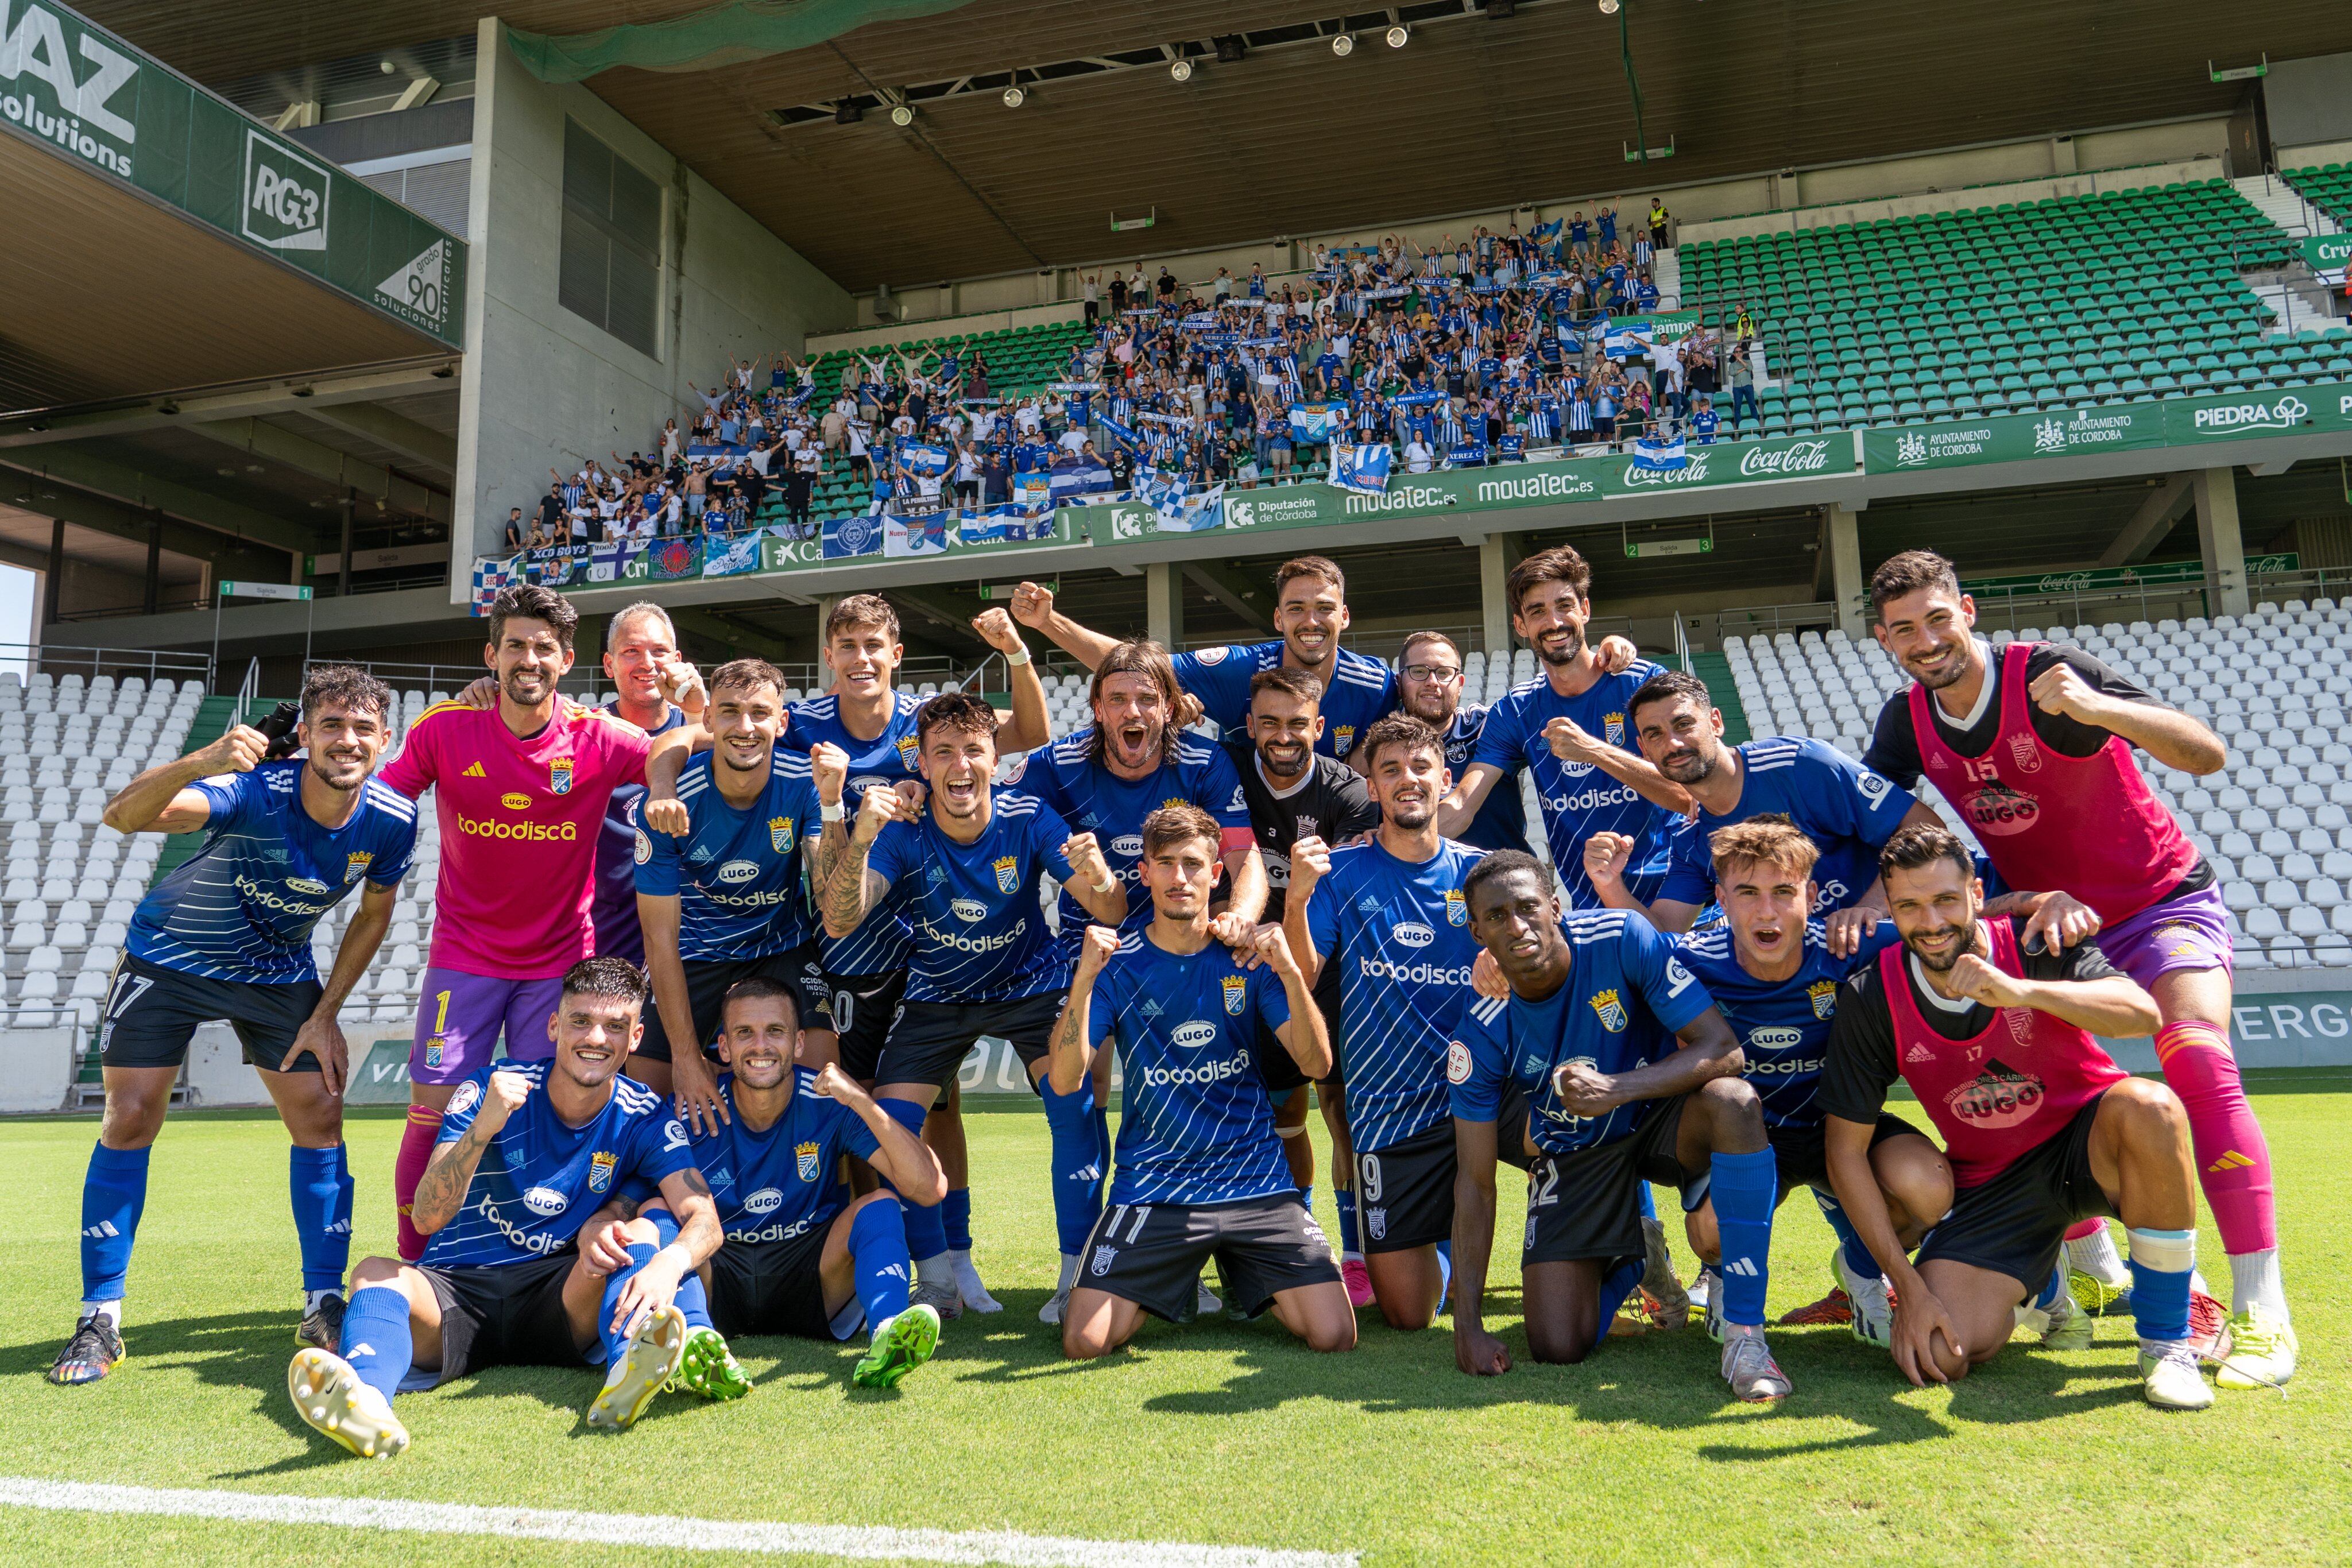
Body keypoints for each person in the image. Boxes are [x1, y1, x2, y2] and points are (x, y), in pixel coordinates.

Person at [1862, 549, 2292, 1385]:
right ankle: (2084, 1270)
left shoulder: (2050, 676)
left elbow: (2206, 753)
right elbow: (1866, 824)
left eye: (1937, 618)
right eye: (1904, 628)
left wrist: (2100, 708)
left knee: (2195, 1055)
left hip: (2157, 904)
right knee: (2024, 1088)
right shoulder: (1906, 721)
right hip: (2043, 926)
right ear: (1884, 639)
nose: (1925, 639)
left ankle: (2260, 1310)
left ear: (1969, 610)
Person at [49, 668, 417, 1385]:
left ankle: (323, 1300)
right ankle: (101, 1317)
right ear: (305, 734)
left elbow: (374, 915)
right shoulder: (252, 791)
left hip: (277, 972)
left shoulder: (392, 818)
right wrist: (204, 759)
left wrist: (327, 1013)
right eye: (332, 726)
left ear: (384, 740)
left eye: (363, 729)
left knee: (320, 1114)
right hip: (170, 957)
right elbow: (123, 817)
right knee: (129, 1116)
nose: (348, 741)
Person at [687, 594, 1046, 1316]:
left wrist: (1015, 651)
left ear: (896, 654)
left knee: (937, 1110)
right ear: (829, 656)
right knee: (836, 1109)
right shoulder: (802, 726)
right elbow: (697, 741)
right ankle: (850, 1254)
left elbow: (1029, 731)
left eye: (872, 645)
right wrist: (669, 764)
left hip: (906, 956)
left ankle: (955, 1260)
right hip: (815, 949)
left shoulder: (924, 726)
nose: (859, 658)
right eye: (845, 645)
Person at [1819, 826, 2216, 1409]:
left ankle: (2166, 1345)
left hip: (2090, 1145)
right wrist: (1906, 1286)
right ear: (1890, 908)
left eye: (1945, 900)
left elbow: (2141, 1013)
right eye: (1908, 905)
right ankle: (2045, 1284)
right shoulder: (1872, 992)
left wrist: (2021, 991)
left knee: (2150, 1106)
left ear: (1976, 892)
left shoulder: (2035, 941)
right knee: (1940, 1354)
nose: (1930, 921)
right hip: (1992, 1185)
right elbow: (1845, 1150)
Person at [285, 959, 724, 1458]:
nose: (597, 1038)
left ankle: (630, 1367)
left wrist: (669, 1263)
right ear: (555, 1025)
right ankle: (366, 1402)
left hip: (558, 1293)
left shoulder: (644, 1113)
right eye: (581, 1021)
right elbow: (426, 1217)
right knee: (374, 1272)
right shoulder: (489, 1087)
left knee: (638, 1232)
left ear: (637, 1036)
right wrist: (483, 1129)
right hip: (458, 1289)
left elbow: (704, 1219)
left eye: (615, 1026)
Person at [815, 692, 1125, 1322]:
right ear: (923, 766)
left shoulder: (1029, 816)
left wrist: (1100, 877)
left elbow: (1112, 911)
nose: (961, 765)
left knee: (1074, 1106)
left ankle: (1077, 1276)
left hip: (1030, 989)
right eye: (944, 753)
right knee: (893, 1124)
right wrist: (861, 836)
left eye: (974, 750)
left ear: (993, 757)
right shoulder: (905, 829)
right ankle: (936, 1279)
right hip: (937, 996)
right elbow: (839, 920)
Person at [1448, 850, 1796, 1400]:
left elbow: (1723, 1049)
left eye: (1527, 907)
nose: (1516, 926)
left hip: (1657, 1116)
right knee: (1557, 1345)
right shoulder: (1480, 1030)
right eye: (1496, 917)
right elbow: (1474, 1180)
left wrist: (1617, 1089)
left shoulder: (1622, 937)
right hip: (1577, 1150)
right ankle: (1636, 1259)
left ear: (1555, 908)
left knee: (1735, 1101)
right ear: (1477, 931)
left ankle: (1746, 1336)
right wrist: (1466, 1324)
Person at [377, 586, 659, 1263]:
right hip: (463, 957)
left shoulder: (600, 736)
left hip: (560, 964)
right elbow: (384, 796)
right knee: (432, 1112)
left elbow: (689, 745)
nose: (527, 659)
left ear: (566, 659)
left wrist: (685, 739)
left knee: (561, 1110)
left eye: (542, 648)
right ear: (491, 655)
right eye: (514, 646)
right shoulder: (446, 728)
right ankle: (414, 1262)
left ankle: (549, 1260)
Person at [1009, 640, 1267, 1323]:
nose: (1132, 711)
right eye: (1117, 698)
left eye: (1146, 698)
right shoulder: (1057, 765)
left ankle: (1190, 1262)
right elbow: (988, 814)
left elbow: (1246, 861)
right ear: (1096, 708)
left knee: (1192, 1096)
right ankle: (1077, 1268)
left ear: (1168, 708)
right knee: (1076, 1101)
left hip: (1183, 950)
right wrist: (918, 782)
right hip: (1088, 948)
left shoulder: (1205, 761)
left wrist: (1239, 919)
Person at [1055, 806, 1354, 1358]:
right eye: (1164, 864)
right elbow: (1066, 1074)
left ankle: (1234, 1265)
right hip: (1156, 1186)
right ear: (1143, 873)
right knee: (1084, 1341)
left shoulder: (1245, 960)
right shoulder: (1120, 964)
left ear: (1217, 873)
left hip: (1255, 1183)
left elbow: (1317, 1065)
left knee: (1335, 1334)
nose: (1179, 878)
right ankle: (1168, 1277)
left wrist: (1289, 970)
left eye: (1193, 864)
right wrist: (1083, 981)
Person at [1663, 820, 1975, 1342]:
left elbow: (1953, 912)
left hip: (1844, 1127)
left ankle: (1859, 1265)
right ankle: (1721, 1278)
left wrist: (2046, 901)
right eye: (1747, 893)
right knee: (1713, 1232)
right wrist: (1497, 960)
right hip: (1750, 1139)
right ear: (1720, 899)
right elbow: (1595, 956)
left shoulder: (1851, 944)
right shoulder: (1688, 960)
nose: (1767, 911)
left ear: (1811, 895)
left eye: (1784, 892)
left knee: (1929, 1190)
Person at [652, 977, 950, 1390]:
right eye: (744, 1033)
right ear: (724, 1047)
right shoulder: (691, 1111)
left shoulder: (829, 1101)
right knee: (658, 1211)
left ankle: (887, 1331)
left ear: (798, 1042)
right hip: (718, 1272)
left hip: (813, 1273)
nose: (760, 1046)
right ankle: (698, 1337)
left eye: (775, 1031)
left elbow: (929, 1187)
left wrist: (862, 1102)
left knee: (880, 1202)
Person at [1284, 714, 1483, 1330]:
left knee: (1572, 1130)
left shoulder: (1482, 871)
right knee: (1409, 1315)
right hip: (1388, 1107)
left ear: (1444, 780)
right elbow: (1308, 970)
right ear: (1371, 788)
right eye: (1390, 769)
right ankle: (1440, 1258)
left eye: (1421, 767)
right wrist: (1295, 897)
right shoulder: (1339, 873)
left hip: (1482, 1093)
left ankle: (1617, 1253)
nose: (1407, 780)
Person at [1228, 667, 1382, 1303]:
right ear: (1250, 726)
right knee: (1280, 1112)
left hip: (1329, 962)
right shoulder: (1227, 764)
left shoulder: (1347, 796)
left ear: (1319, 727)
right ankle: (1297, 1240)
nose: (1283, 736)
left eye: (1298, 724)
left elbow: (1336, 900)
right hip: (1249, 965)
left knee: (1342, 1111)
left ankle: (1354, 1255)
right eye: (1270, 722)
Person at [1585, 669, 1938, 938]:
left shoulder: (1801, 765)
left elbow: (1927, 828)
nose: (1673, 744)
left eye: (1684, 724)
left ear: (1716, 723)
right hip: (1820, 970)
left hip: (1905, 932)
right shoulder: (1692, 840)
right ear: (1644, 750)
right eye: (1655, 735)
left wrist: (1870, 909)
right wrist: (1610, 883)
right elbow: (1663, 931)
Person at [633, 659, 836, 1114]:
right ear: (707, 717)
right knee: (644, 1097)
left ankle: (836, 1189)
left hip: (780, 943)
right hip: (695, 951)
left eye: (760, 713)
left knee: (827, 1090)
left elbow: (830, 893)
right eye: (729, 711)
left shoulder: (804, 783)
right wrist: (686, 1057)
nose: (745, 727)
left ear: (782, 722)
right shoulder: (668, 802)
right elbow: (659, 936)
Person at [1438, 546, 1690, 908]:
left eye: (1564, 606)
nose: (1554, 622)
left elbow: (1687, 796)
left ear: (1584, 610)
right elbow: (1463, 804)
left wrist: (1594, 751)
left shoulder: (1643, 684)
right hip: (1595, 915)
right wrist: (1392, 842)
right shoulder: (1516, 710)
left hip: (1681, 905)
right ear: (1521, 626)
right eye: (1538, 611)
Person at [1012, 557, 1395, 763]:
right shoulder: (1242, 671)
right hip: (1250, 835)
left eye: (1324, 608)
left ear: (1344, 616)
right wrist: (1048, 622)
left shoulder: (1376, 683)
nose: (1311, 621)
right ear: (1278, 618)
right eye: (1296, 609)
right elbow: (1138, 668)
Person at [589, 605, 705, 971]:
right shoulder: (585, 736)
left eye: (659, 651)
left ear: (678, 659)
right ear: (609, 665)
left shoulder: (716, 730)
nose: (648, 663)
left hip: (699, 943)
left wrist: (699, 714)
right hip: (608, 944)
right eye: (631, 652)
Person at [1394, 630, 1528, 854]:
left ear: (1461, 683)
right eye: (1419, 672)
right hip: (1418, 882)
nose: (1432, 682)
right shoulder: (1381, 744)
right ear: (1399, 682)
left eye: (1444, 673)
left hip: (1501, 877)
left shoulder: (1490, 726)